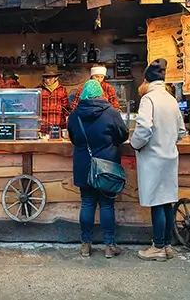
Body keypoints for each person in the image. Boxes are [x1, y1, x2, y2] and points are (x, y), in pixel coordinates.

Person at [130, 58, 186, 261]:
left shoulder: (149, 99)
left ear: (146, 80)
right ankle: (168, 245)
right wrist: (169, 140)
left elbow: (143, 128)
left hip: (153, 157)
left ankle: (158, 247)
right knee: (167, 202)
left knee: (156, 202)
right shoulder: (171, 99)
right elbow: (181, 131)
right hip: (170, 157)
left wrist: (135, 144)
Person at [67, 79, 129, 259]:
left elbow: (73, 138)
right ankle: (109, 246)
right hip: (107, 165)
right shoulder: (111, 113)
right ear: (100, 93)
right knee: (107, 204)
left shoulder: (75, 115)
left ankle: (86, 245)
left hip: (83, 165)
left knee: (87, 203)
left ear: (84, 94)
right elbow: (123, 135)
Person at [37, 65, 69, 132]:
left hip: (57, 125)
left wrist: (64, 127)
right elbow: (35, 109)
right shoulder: (38, 90)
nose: (47, 80)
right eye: (46, 77)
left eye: (50, 78)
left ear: (56, 77)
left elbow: (65, 110)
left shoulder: (62, 90)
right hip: (42, 126)